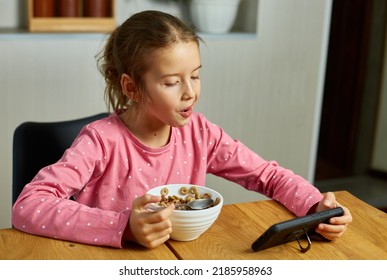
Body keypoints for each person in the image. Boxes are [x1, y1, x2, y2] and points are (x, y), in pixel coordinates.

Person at [12, 10, 352, 249]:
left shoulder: (200, 134)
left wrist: (314, 208)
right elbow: (27, 207)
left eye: (196, 75)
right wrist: (124, 226)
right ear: (131, 88)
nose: (190, 92)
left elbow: (266, 175)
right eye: (173, 82)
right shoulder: (100, 142)